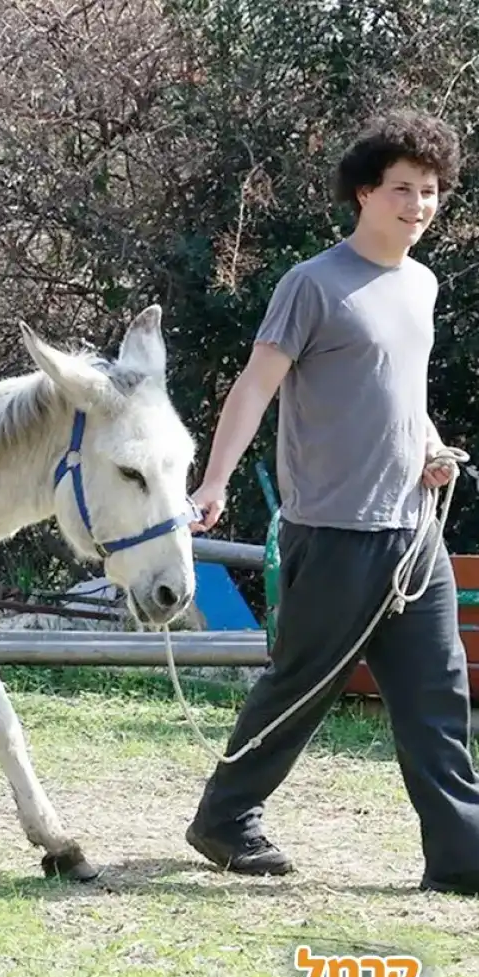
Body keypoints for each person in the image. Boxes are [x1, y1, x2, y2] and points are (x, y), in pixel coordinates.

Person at [184, 108, 479, 897]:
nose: (418, 205)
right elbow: (255, 387)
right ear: (364, 193)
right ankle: (224, 818)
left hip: (413, 531)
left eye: (430, 191)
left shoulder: (421, 284)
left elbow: (402, 392)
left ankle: (461, 854)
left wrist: (430, 446)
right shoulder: (312, 284)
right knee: (301, 685)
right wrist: (213, 482)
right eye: (402, 189)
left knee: (437, 691)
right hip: (335, 532)